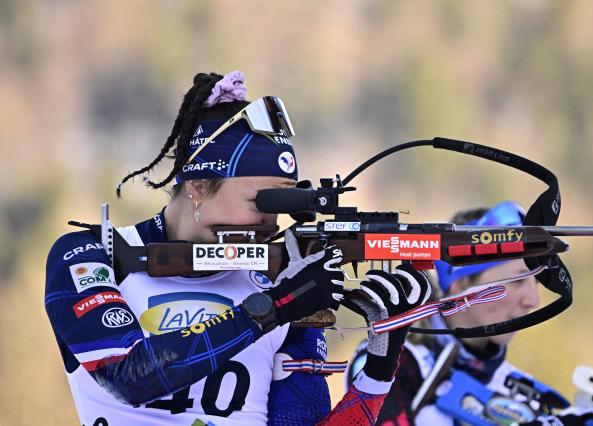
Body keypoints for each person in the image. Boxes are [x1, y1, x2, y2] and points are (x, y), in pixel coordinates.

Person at [44, 71, 431, 426]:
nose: (271, 222)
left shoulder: (278, 277)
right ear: (197, 185)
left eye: (285, 205)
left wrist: (384, 354)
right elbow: (130, 375)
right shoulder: (95, 254)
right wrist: (275, 307)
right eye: (261, 202)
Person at [347, 201, 593, 425]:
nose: (532, 300)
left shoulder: (520, 387)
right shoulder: (393, 359)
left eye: (537, 282)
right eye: (518, 280)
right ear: (461, 284)